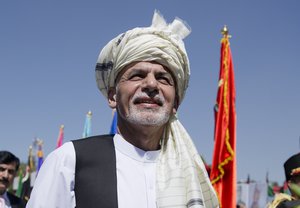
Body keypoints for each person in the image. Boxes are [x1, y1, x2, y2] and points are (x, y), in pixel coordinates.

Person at [27, 10, 219, 208]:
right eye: (137, 75)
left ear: (175, 104)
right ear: (113, 96)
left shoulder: (190, 176)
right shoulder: (70, 160)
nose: (151, 85)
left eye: (163, 78)